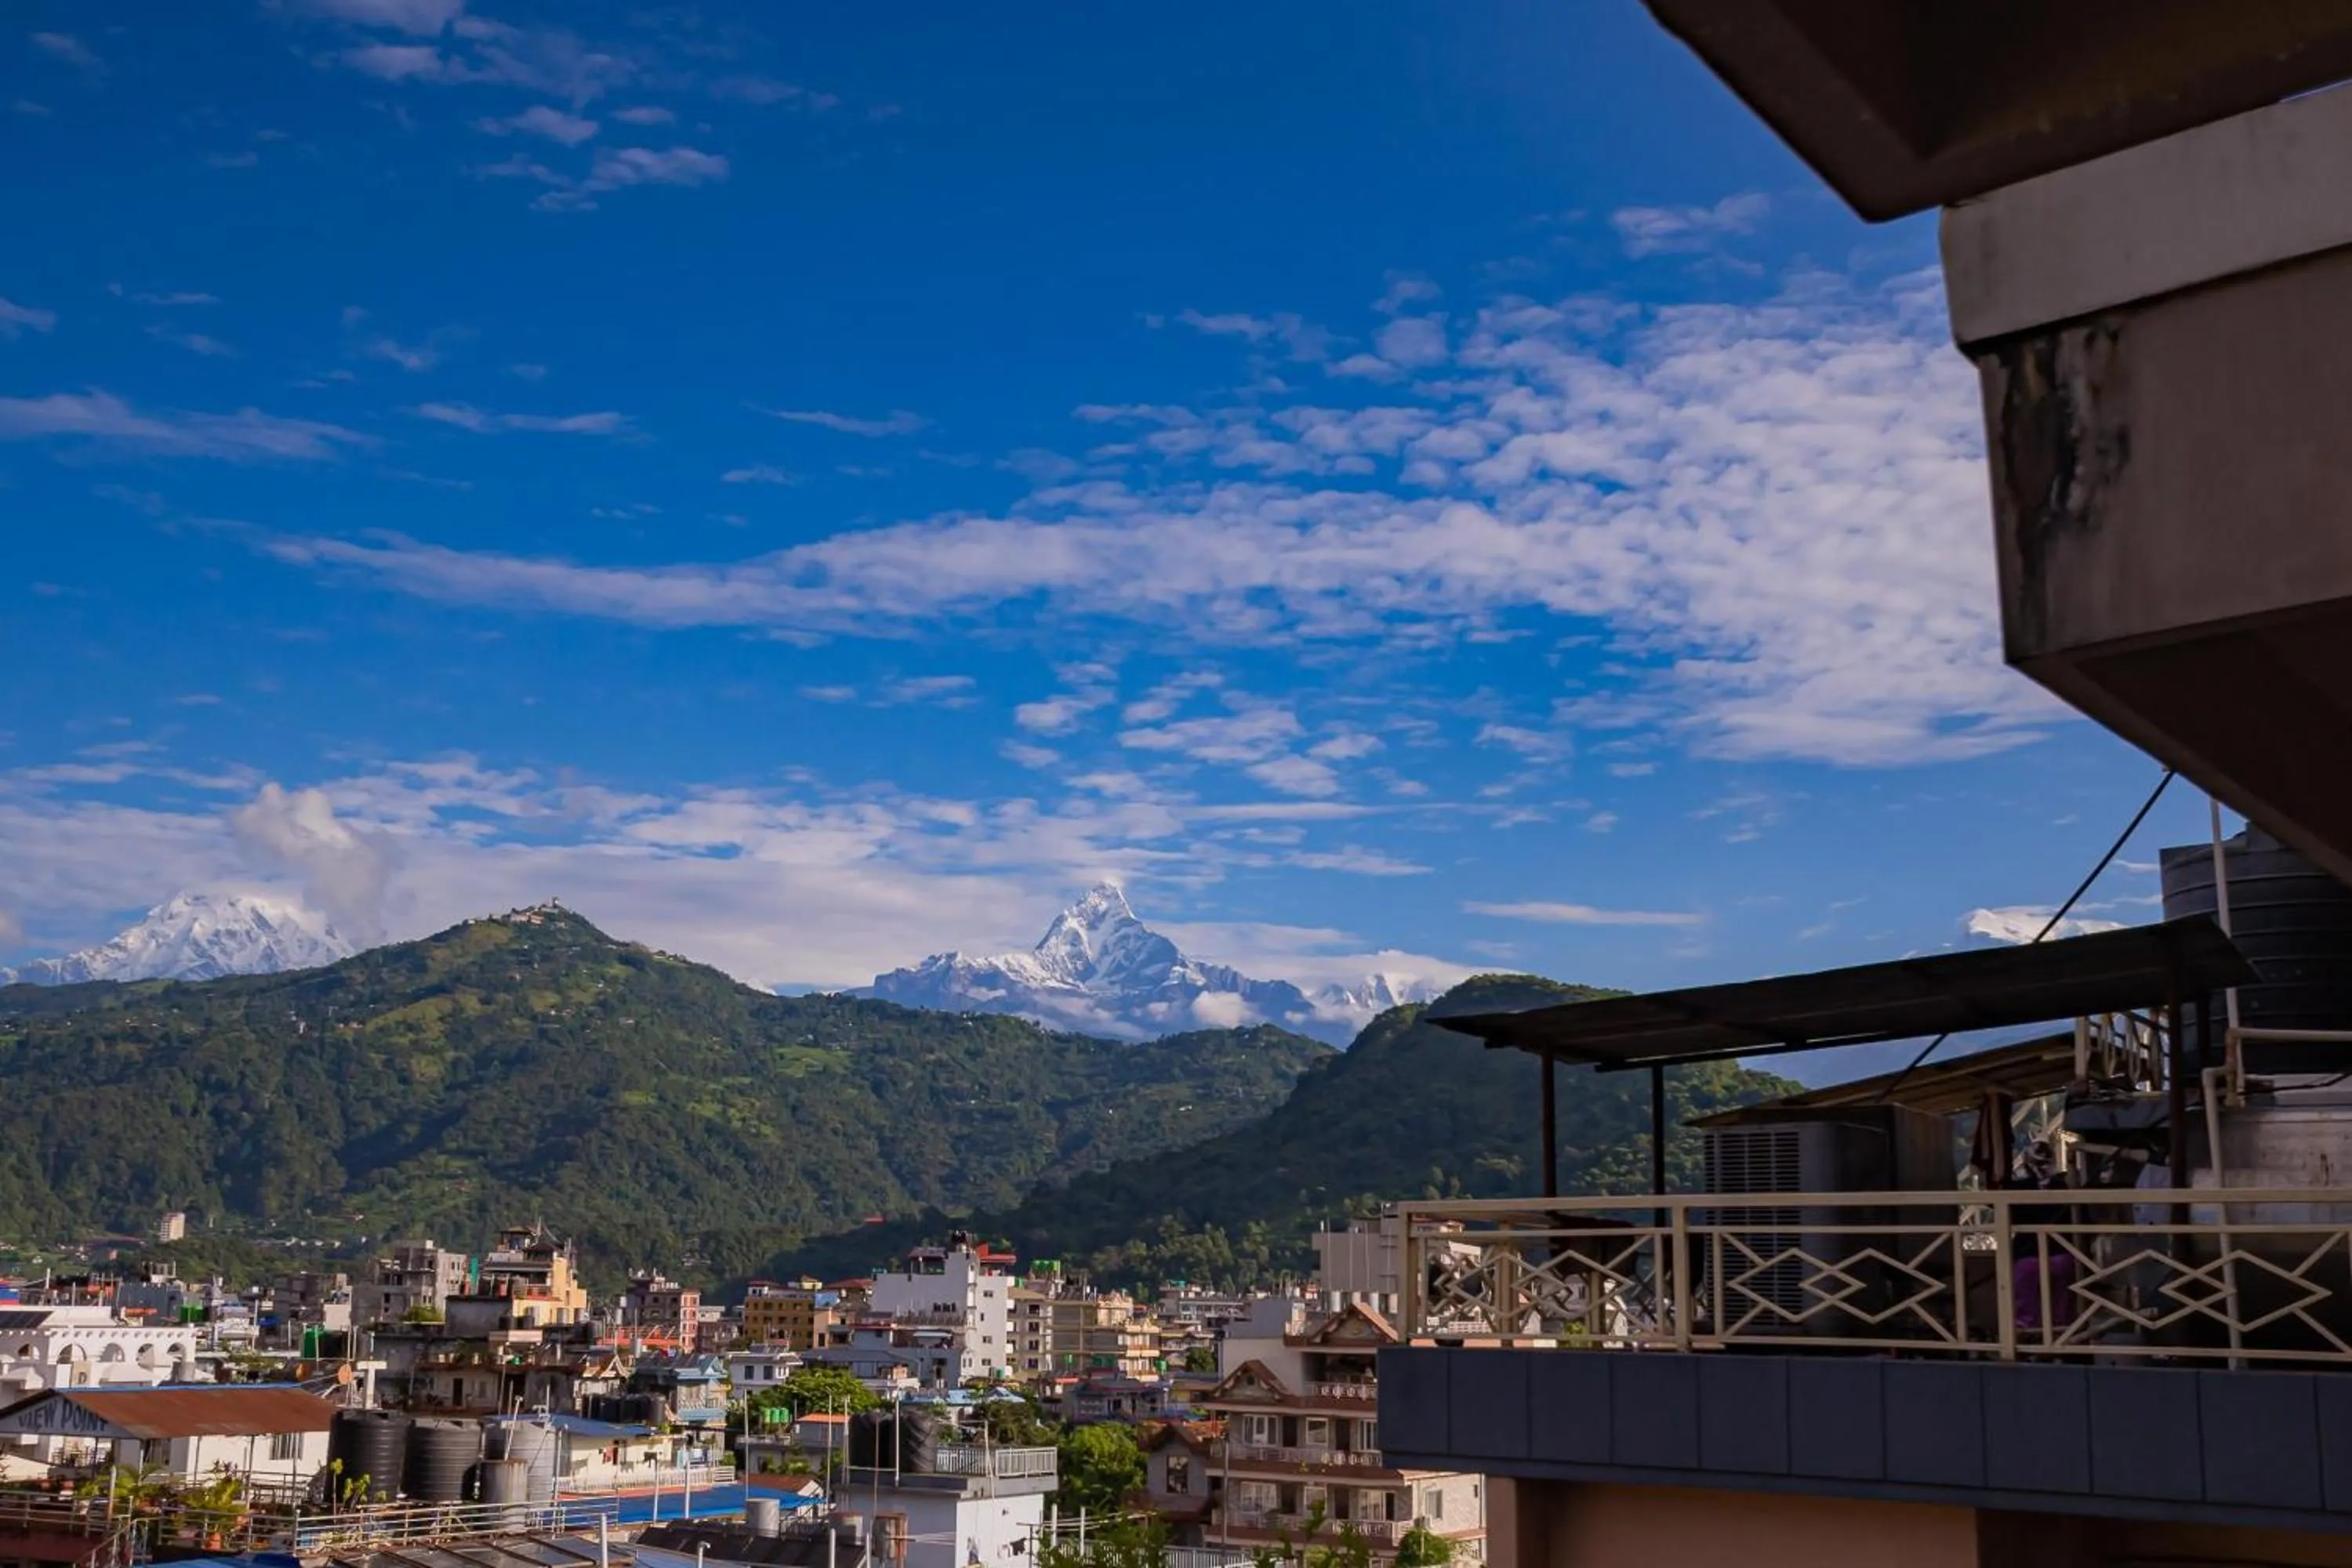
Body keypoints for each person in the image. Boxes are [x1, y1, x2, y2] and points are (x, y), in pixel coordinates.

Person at [2011, 1139, 2079, 1335]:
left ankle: (2027, 1333)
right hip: (2062, 1254)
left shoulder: (2018, 1190)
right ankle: (2063, 1335)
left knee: (2025, 1301)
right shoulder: (2065, 1187)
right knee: (2062, 1302)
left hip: (2027, 1256)